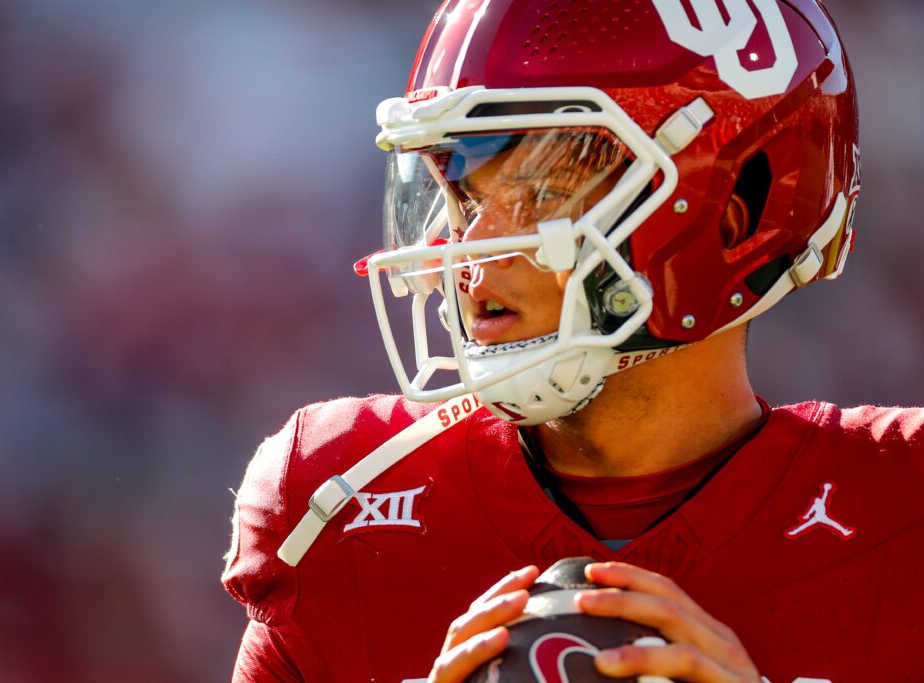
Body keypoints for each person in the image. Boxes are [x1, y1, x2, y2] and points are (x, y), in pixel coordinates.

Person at [222, 0, 923, 681]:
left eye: (540, 196)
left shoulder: (903, 505)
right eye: (464, 198)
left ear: (730, 220)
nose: (470, 252)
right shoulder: (337, 503)